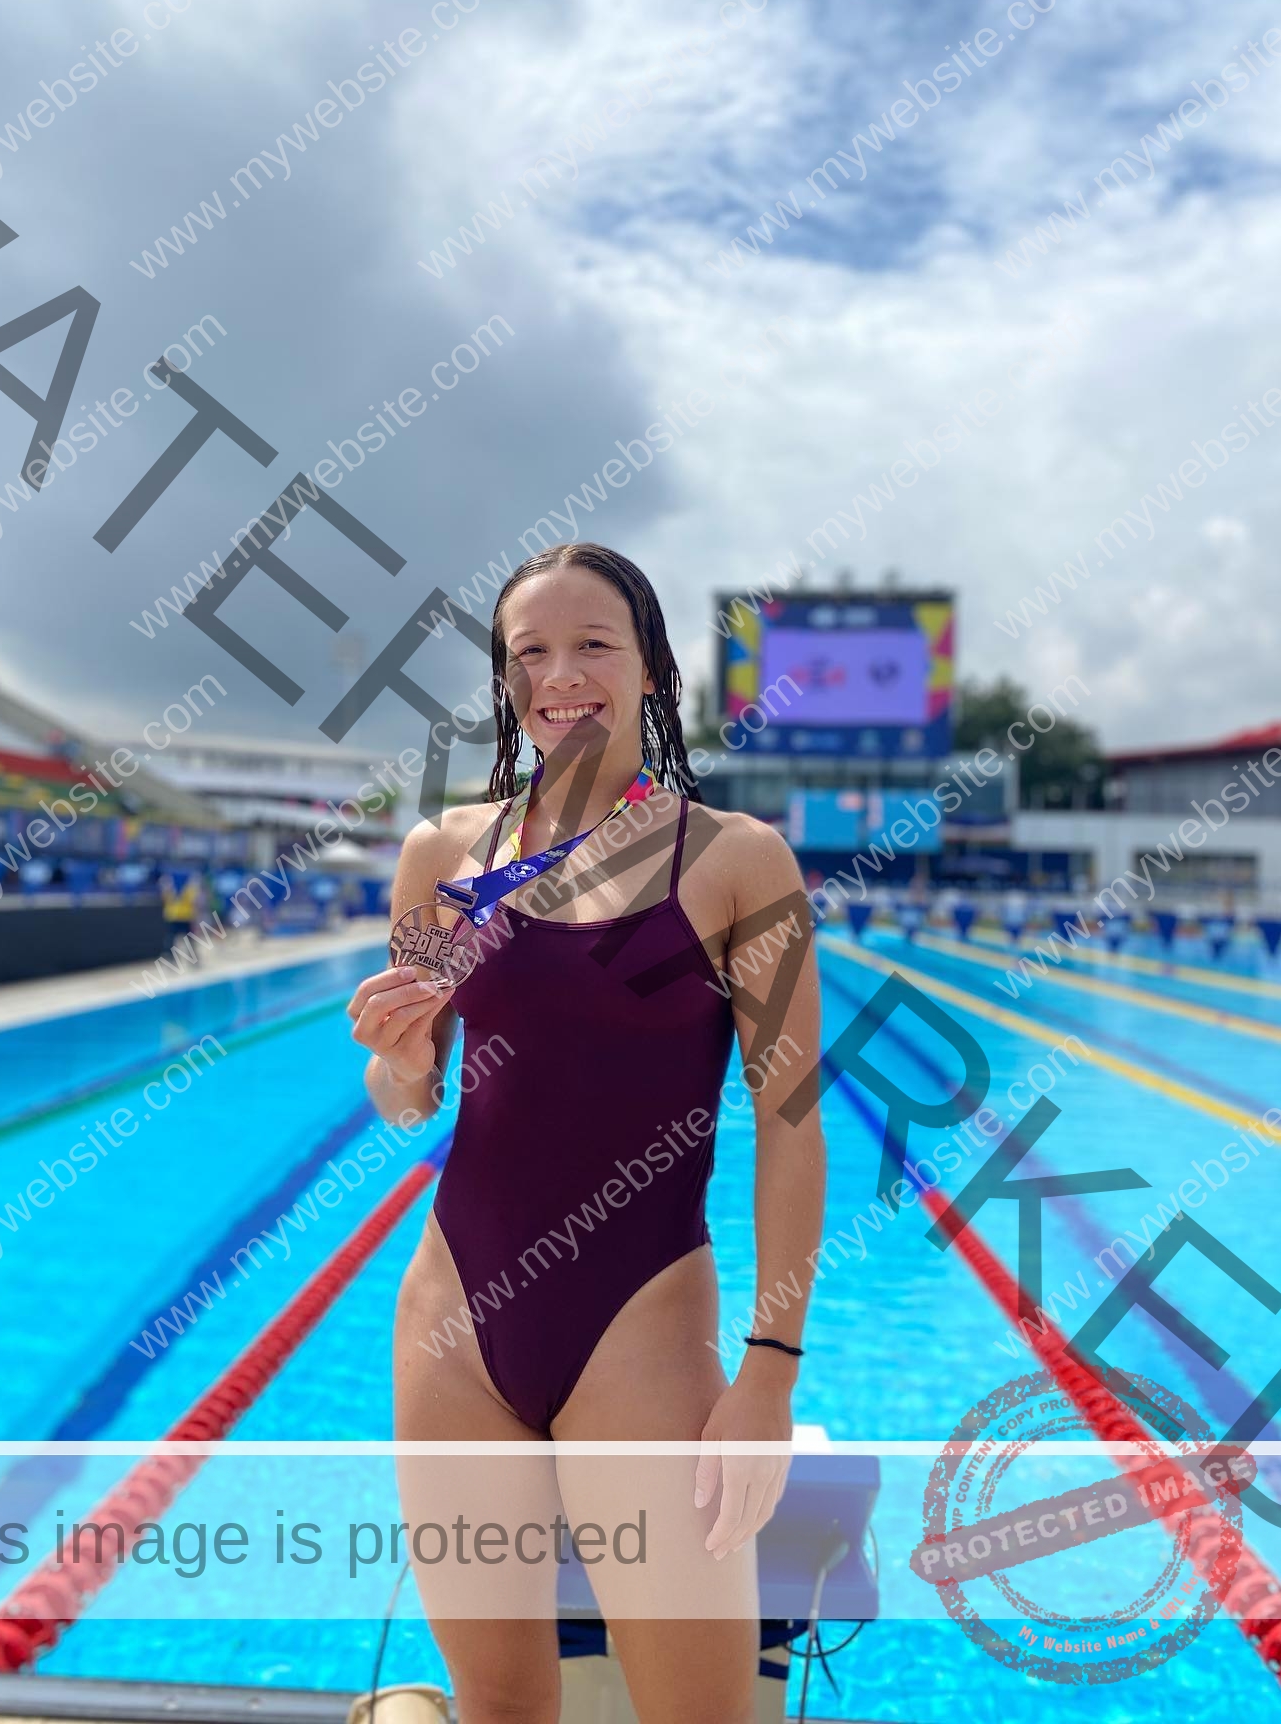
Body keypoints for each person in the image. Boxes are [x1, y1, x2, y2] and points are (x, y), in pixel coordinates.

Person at [348, 542, 826, 1722]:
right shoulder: (442, 857)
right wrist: (401, 1061)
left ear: (655, 670)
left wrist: (770, 1371)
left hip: (642, 1329)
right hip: (452, 1325)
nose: (562, 675)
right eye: (531, 654)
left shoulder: (734, 863)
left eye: (595, 645)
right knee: (501, 1712)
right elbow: (411, 1101)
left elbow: (793, 1127)